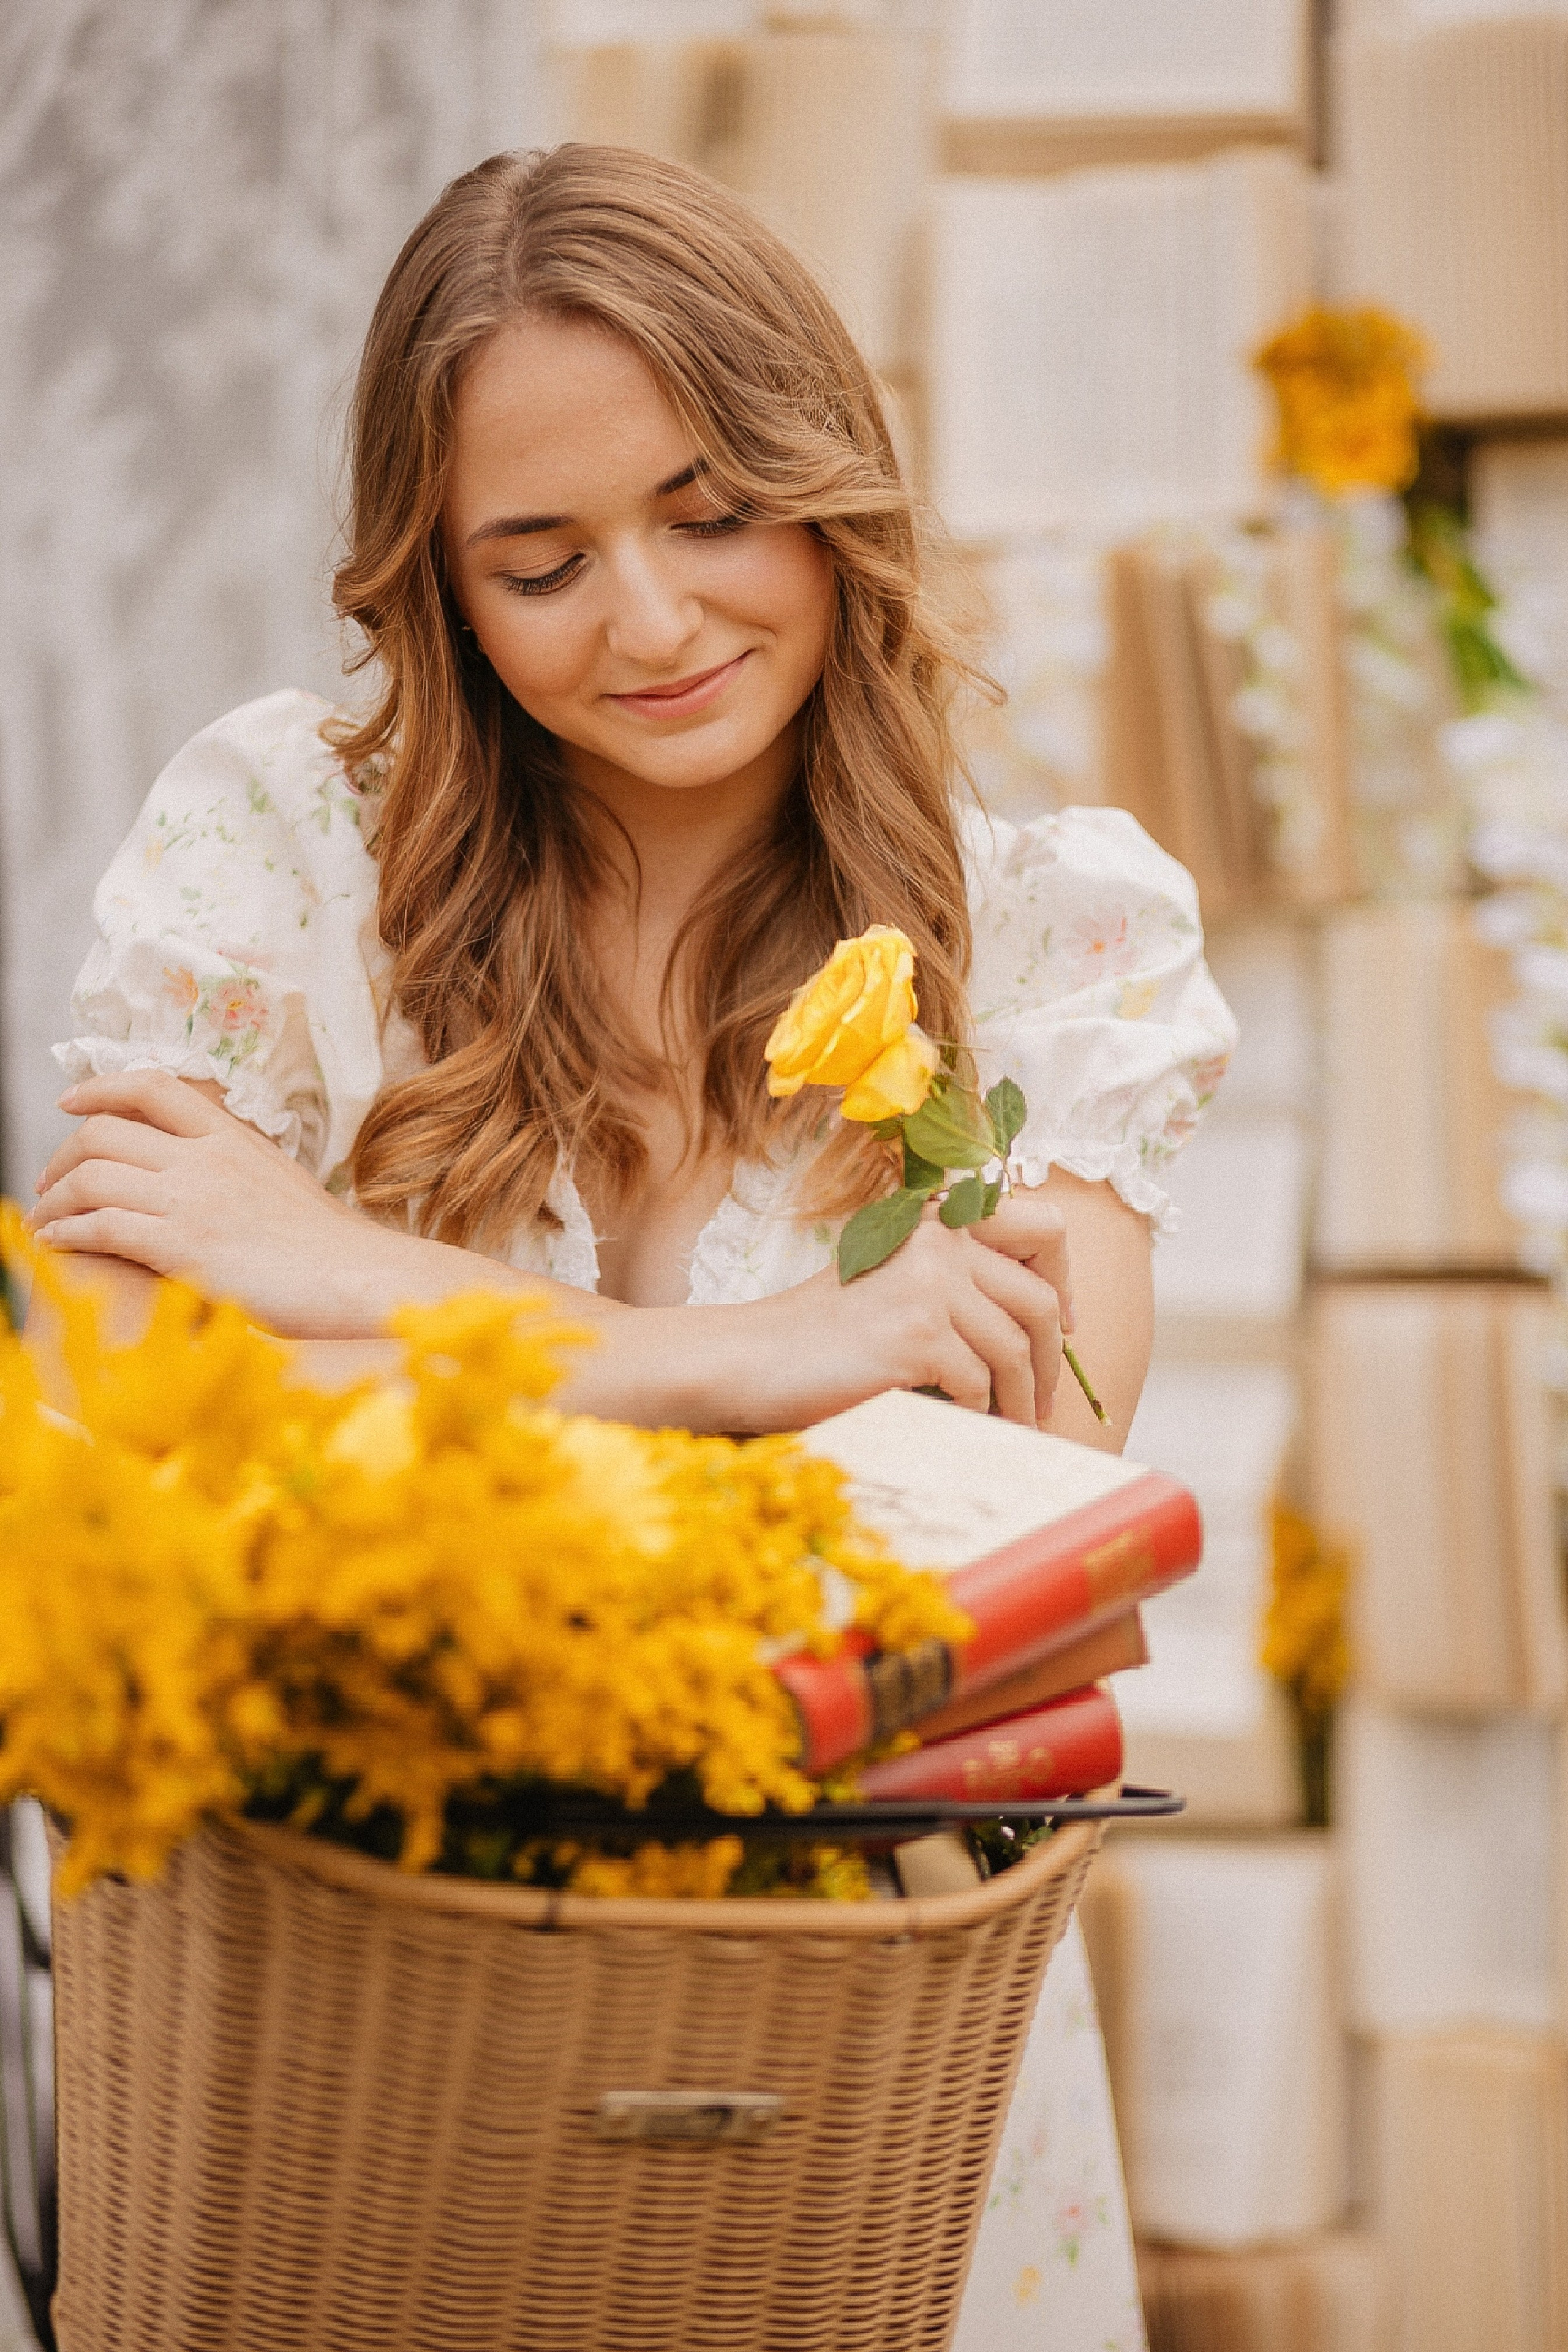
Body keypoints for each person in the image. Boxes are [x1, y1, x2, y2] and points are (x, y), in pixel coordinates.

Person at [32, 146, 1235, 2345]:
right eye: (542, 558)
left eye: (710, 512)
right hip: (355, 2081)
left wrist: (353, 1288)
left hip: (873, 2113)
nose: (655, 621)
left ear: (826, 487)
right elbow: (133, 1423)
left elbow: (998, 1551)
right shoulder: (277, 847)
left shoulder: (1063, 939)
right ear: (441, 584)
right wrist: (752, 1362)